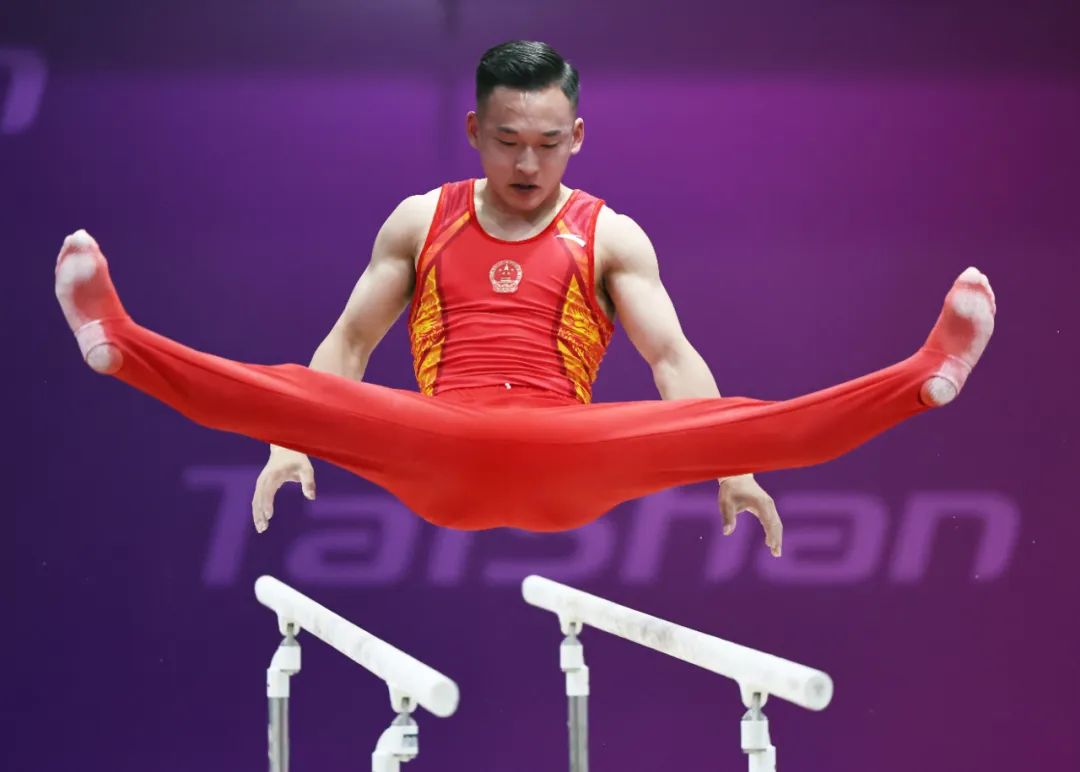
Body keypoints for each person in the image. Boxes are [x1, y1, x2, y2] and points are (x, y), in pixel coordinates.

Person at [53, 41, 996, 558]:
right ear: (474, 129)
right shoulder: (420, 220)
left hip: (566, 453)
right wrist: (291, 440)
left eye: (548, 142)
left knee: (754, 421)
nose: (528, 163)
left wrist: (733, 467)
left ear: (578, 136)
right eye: (507, 141)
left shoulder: (612, 235)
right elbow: (349, 344)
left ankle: (926, 377)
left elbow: (672, 360)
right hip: (438, 444)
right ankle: (117, 341)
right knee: (289, 387)